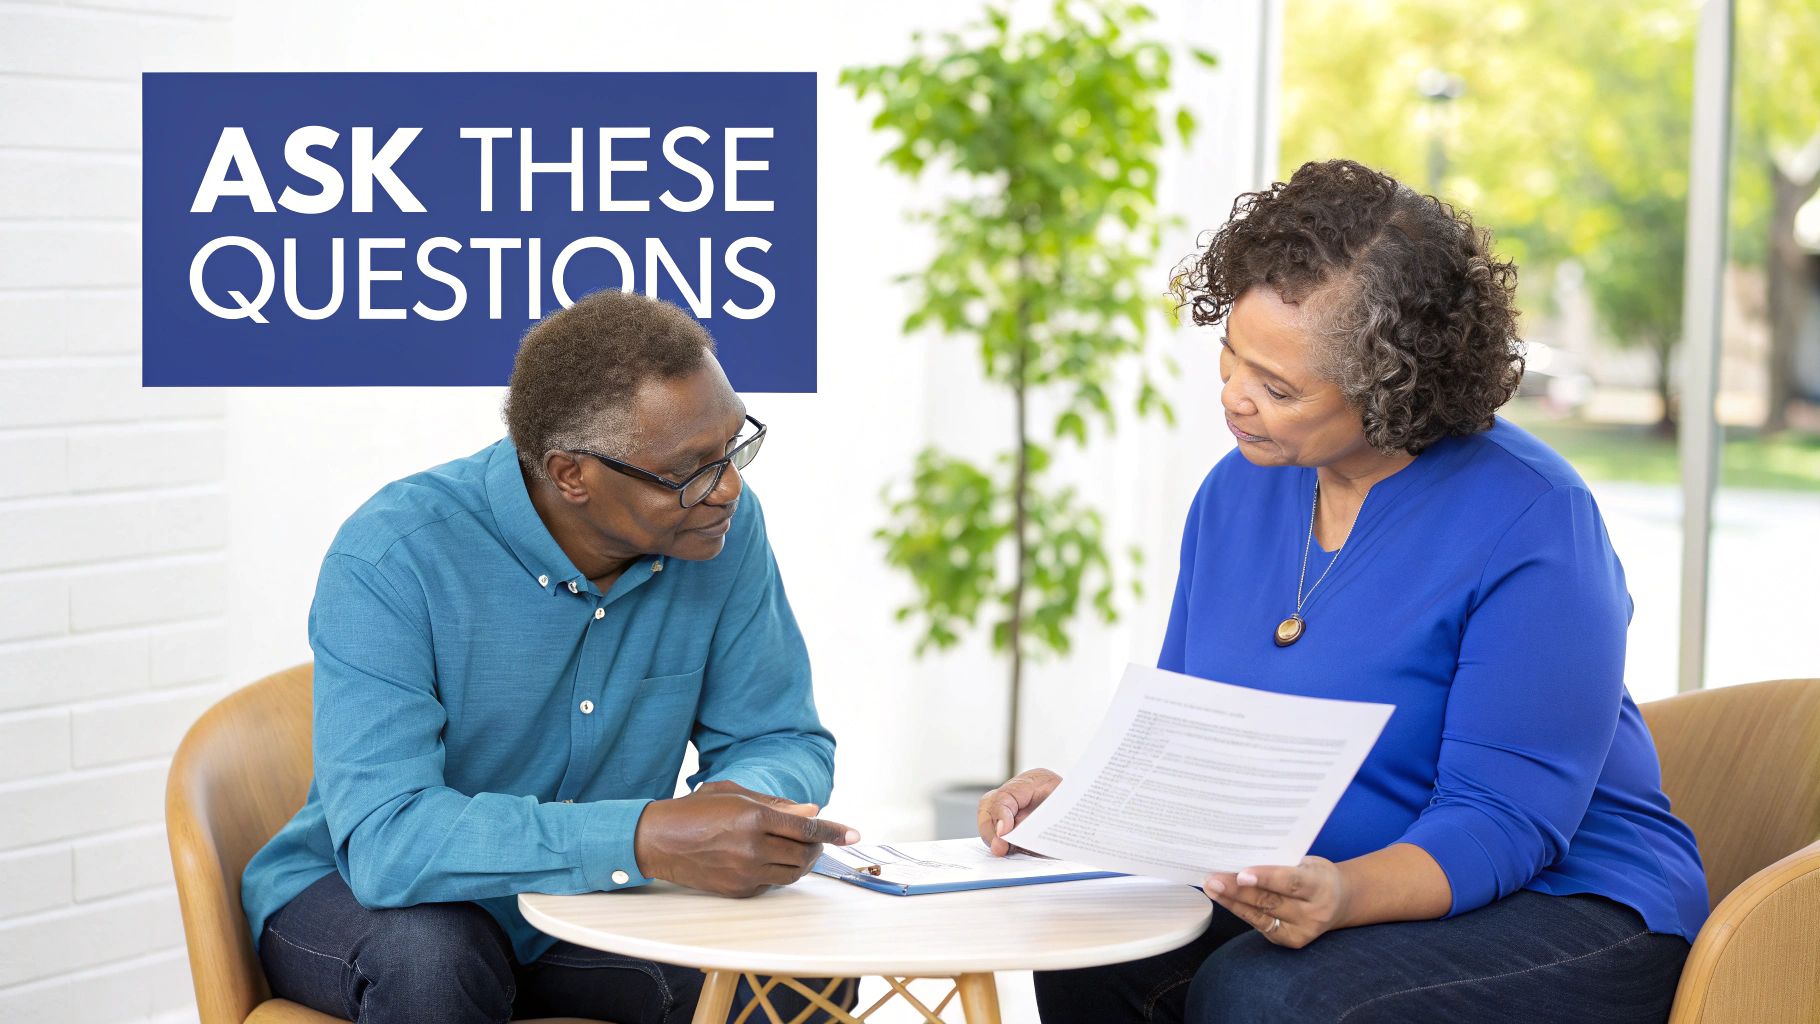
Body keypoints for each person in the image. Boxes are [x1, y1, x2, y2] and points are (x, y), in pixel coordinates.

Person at [976, 159, 1707, 1024]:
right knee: (1094, 943)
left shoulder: (1535, 518)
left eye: (1278, 388)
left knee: (1268, 995)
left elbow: (1505, 823)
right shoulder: (1237, 491)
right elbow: (1196, 736)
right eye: (1231, 356)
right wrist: (1092, 808)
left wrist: (1346, 894)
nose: (1234, 399)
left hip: (1568, 904)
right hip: (1317, 886)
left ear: (1396, 389)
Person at [242, 289, 859, 1024]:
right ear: (572, 474)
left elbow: (777, 735)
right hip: (372, 900)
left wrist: (741, 807)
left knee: (799, 976)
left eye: (735, 446)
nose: (729, 486)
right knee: (436, 962)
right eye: (693, 468)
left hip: (587, 906)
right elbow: (389, 839)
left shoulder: (719, 530)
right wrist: (644, 836)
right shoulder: (393, 555)